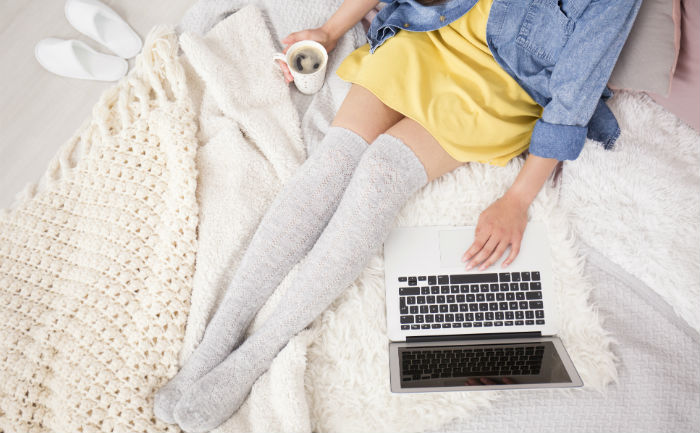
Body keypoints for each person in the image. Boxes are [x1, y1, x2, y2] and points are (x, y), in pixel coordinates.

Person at [154, 0, 642, 431]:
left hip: (499, 88)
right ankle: (214, 344)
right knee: (332, 164)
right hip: (434, 30)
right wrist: (329, 30)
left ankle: (256, 354)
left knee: (380, 177)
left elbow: (571, 103)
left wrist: (517, 199)